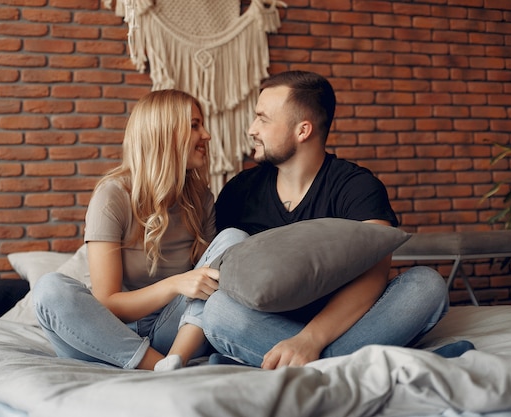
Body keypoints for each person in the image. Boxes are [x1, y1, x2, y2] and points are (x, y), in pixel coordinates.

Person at [200, 70, 467, 369]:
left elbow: (374, 275)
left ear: (302, 130)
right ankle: (358, 364)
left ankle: (314, 362)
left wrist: (310, 340)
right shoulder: (240, 191)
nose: (252, 129)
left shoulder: (357, 186)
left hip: (342, 322)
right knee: (219, 310)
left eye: (263, 119)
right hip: (268, 321)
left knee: (426, 285)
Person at [32, 89, 248, 371]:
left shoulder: (201, 198)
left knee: (234, 239)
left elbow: (203, 291)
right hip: (108, 335)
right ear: (164, 133)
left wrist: (175, 355)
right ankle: (158, 366)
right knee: (49, 289)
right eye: (195, 125)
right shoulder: (113, 195)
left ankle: (173, 363)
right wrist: (174, 284)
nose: (206, 135)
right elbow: (107, 303)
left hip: (172, 335)